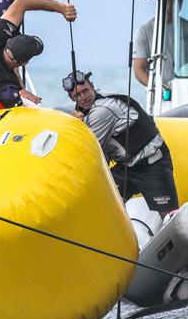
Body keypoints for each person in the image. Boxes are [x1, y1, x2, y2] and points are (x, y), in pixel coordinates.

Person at [63, 71, 178, 216]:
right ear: (71, 97)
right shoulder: (86, 110)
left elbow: (90, 149)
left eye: (85, 91)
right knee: (100, 201)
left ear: (92, 86)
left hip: (152, 164)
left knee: (168, 216)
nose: (83, 97)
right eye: (77, 96)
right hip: (127, 168)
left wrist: (76, 125)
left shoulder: (102, 111)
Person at [132, 0, 188, 88]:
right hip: (158, 94)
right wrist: (157, 87)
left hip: (187, 89)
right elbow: (138, 70)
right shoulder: (145, 31)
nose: (173, 3)